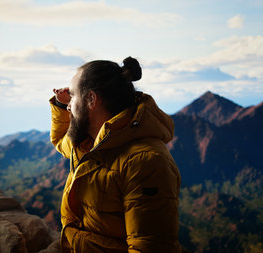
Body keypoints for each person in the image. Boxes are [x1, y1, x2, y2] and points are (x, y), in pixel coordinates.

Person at [49, 56, 181, 252]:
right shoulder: (88, 143)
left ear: (92, 100)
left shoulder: (146, 162)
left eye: (73, 96)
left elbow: (148, 246)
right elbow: (62, 142)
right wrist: (61, 107)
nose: (69, 104)